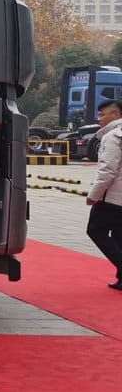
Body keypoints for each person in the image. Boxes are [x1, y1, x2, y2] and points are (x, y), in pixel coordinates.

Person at [84, 99, 122, 290]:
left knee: (95, 230)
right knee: (118, 235)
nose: (99, 118)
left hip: (112, 197)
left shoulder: (113, 136)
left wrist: (94, 195)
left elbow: (107, 171)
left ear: (116, 115)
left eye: (103, 114)